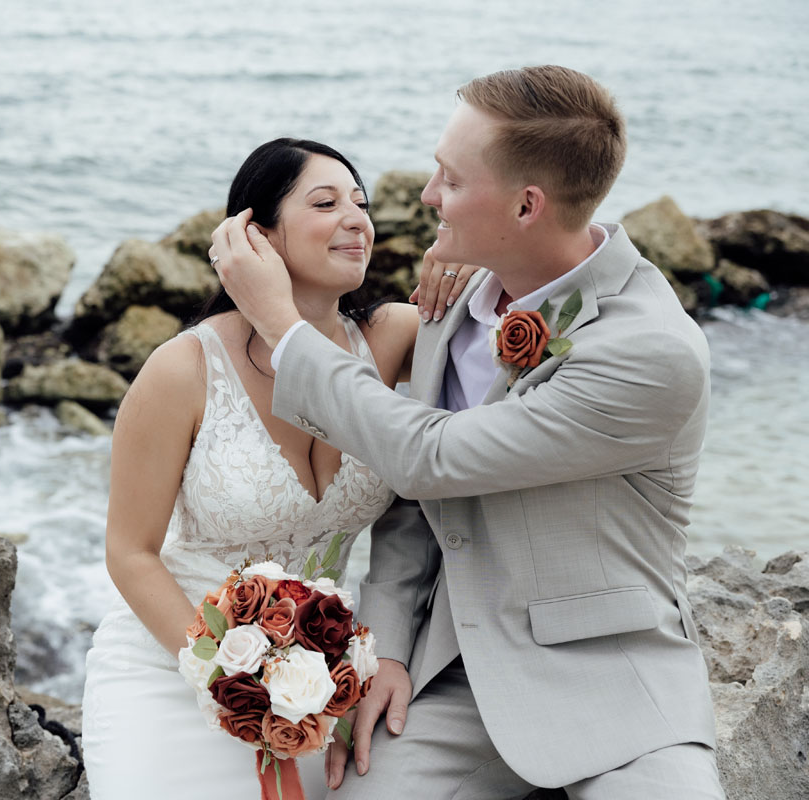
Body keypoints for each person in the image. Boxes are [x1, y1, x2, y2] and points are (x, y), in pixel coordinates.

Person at [208, 66, 725, 798]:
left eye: (449, 180)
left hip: (614, 690)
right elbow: (416, 508)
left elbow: (430, 458)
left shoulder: (651, 352)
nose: (425, 196)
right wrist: (383, 648)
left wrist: (284, 329)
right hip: (450, 674)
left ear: (525, 206)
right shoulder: (459, 294)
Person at [80, 138, 476, 799]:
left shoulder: (392, 336)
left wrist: (464, 260)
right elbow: (130, 553)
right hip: (175, 664)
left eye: (361, 202)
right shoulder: (182, 369)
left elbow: (511, 339)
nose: (357, 218)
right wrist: (229, 681)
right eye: (325, 202)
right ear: (254, 236)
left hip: (317, 680)